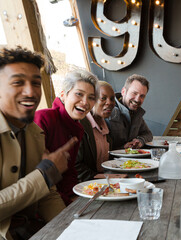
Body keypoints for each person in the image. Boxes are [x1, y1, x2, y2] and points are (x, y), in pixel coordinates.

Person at [0, 47, 77, 239]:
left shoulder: (34, 132)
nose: (30, 92)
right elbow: (43, 180)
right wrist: (45, 174)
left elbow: (46, 195)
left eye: (36, 83)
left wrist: (70, 230)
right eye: (18, 82)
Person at [34, 69, 98, 205]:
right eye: (79, 94)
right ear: (63, 95)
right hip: (41, 201)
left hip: (64, 197)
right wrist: (67, 202)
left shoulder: (77, 128)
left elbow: (69, 172)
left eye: (91, 97)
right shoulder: (43, 117)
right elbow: (36, 174)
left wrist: (74, 198)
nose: (85, 102)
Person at [76, 81, 115, 182]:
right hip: (84, 185)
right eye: (103, 98)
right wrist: (102, 177)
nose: (109, 103)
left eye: (112, 99)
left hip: (102, 181)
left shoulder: (106, 126)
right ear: (92, 100)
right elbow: (76, 167)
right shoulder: (80, 125)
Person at [108, 74, 153, 150]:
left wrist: (140, 141)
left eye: (142, 96)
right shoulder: (108, 110)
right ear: (123, 91)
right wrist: (123, 148)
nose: (137, 99)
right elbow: (101, 144)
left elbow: (148, 134)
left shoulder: (137, 113)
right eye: (134, 93)